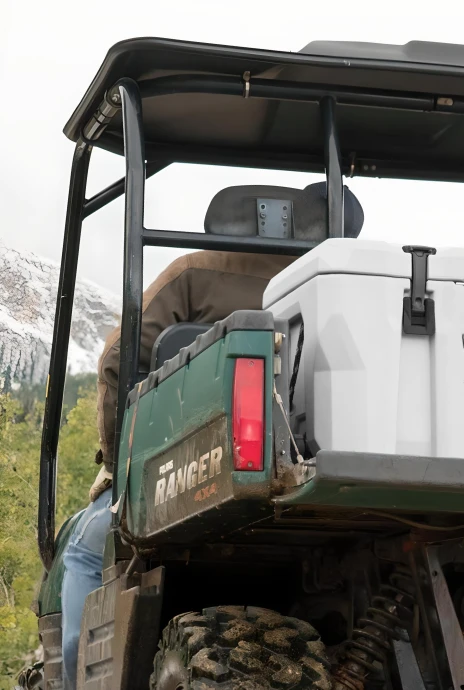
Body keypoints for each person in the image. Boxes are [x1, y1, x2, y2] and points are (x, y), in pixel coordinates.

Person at [60, 183, 363, 689]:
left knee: (84, 553)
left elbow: (117, 361)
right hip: (341, 465)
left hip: (197, 473)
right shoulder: (358, 278)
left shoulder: (195, 274)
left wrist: (118, 466)